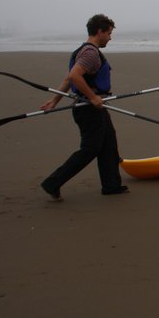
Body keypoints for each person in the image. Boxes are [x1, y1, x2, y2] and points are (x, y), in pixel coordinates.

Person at [40, 14, 128, 201]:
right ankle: (53, 182)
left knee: (109, 146)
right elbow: (74, 76)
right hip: (88, 109)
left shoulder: (84, 50)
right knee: (91, 149)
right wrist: (93, 97)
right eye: (109, 33)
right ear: (99, 31)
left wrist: (55, 100)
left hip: (94, 107)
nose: (110, 38)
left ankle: (111, 186)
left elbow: (68, 78)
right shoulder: (90, 53)